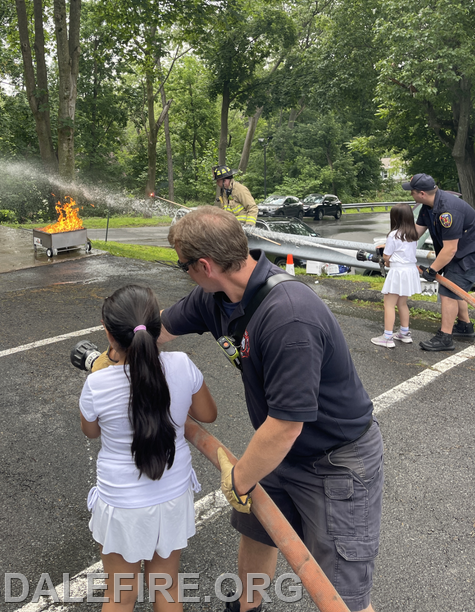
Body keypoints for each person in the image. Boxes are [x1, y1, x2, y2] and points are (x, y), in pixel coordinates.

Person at [160, 206, 384, 612]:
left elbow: (285, 426)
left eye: (183, 267)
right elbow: (160, 327)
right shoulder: (216, 298)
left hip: (335, 461)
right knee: (259, 530)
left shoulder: (288, 317)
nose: (184, 273)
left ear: (204, 265)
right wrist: (124, 348)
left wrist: (238, 479)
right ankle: (248, 607)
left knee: (339, 592)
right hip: (279, 452)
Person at [79, 284, 217, 612]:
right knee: (166, 587)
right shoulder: (182, 365)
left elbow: (91, 432)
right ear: (156, 328)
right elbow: (208, 415)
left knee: (121, 595)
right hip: (172, 496)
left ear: (108, 335)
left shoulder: (96, 384)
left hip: (122, 503)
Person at [403, 173, 475, 351]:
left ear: (421, 193)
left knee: (448, 292)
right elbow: (414, 234)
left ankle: (445, 338)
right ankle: (465, 327)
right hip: (458, 252)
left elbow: (450, 249)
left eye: (411, 191)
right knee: (453, 287)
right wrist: (394, 244)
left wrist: (432, 270)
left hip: (469, 253)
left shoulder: (447, 210)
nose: (410, 194)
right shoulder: (427, 207)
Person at [371, 204, 422, 348]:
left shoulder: (394, 235)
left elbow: (386, 255)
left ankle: (387, 337)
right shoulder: (413, 235)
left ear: (395, 218)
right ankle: (404, 333)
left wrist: (387, 260)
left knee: (389, 304)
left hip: (398, 272)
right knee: (402, 303)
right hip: (410, 271)